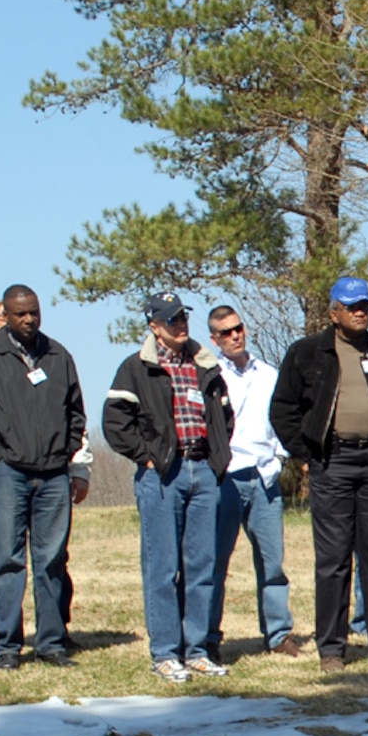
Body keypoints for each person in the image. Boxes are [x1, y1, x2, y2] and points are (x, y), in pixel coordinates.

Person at [271, 276, 368, 672]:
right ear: (333, 312)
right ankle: (332, 650)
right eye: (351, 306)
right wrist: (305, 454)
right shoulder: (306, 353)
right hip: (331, 461)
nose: (360, 312)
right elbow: (283, 409)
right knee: (333, 559)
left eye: (365, 306)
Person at [105, 292, 233, 682]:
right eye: (172, 319)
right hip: (163, 475)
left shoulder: (204, 365)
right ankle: (165, 652)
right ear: (154, 325)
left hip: (203, 472)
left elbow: (224, 416)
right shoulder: (136, 368)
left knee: (202, 566)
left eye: (183, 318)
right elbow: (115, 423)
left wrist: (217, 459)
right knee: (162, 569)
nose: (181, 325)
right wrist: (146, 456)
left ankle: (196, 649)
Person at [0, 285, 86, 670]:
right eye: (20, 314)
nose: (28, 319)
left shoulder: (58, 355)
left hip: (53, 476)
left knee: (51, 559)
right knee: (8, 560)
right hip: (8, 473)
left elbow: (75, 410)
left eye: (34, 312)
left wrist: (66, 452)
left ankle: (51, 642)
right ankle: (8, 645)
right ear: (7, 316)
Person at [206, 303, 296, 660]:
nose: (235, 336)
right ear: (214, 339)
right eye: (226, 332)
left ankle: (278, 634)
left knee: (272, 562)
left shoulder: (269, 374)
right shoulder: (211, 376)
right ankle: (208, 636)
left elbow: (283, 420)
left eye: (238, 328)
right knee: (215, 562)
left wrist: (278, 459)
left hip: (263, 477)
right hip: (225, 478)